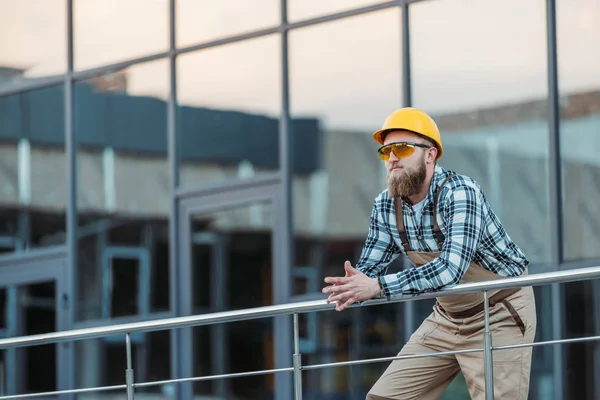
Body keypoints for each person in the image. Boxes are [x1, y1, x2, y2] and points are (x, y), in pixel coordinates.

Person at [321, 107, 537, 400]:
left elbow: (450, 270)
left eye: (401, 148)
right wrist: (354, 284)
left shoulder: (460, 193)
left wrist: (379, 286)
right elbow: (369, 270)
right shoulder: (387, 205)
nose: (392, 158)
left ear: (430, 154)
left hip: (499, 313)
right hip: (447, 318)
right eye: (386, 152)